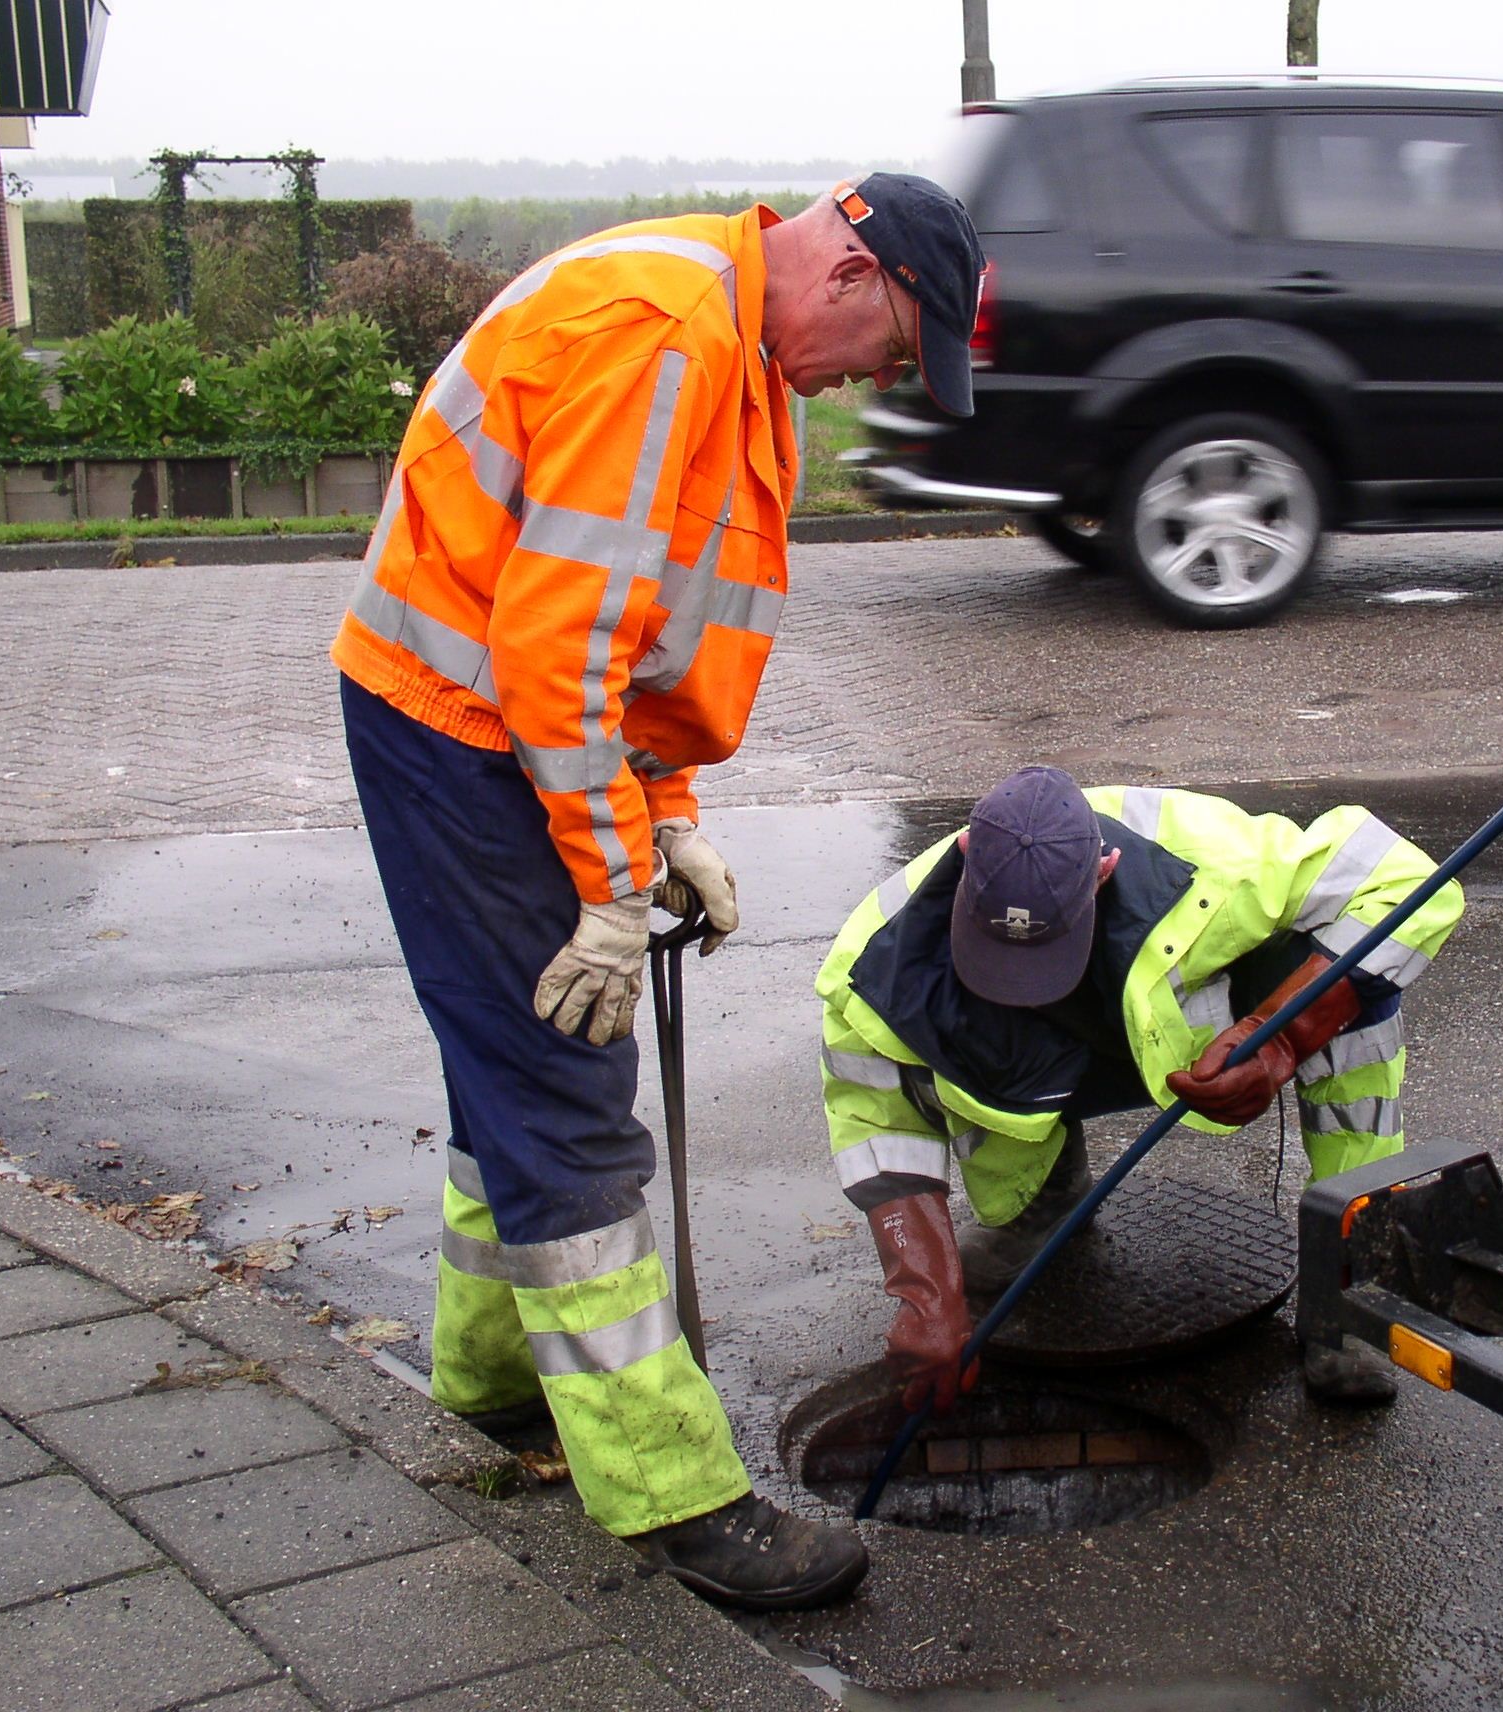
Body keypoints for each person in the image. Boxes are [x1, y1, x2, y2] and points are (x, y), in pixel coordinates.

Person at [332, 174, 984, 1613]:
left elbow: (645, 625)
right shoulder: (668, 336)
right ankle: (671, 1492)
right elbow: (556, 650)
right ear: (852, 276)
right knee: (565, 1077)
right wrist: (613, 887)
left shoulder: (742, 352)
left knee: (511, 1052)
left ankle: (492, 1380)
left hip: (508, 713)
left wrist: (668, 806)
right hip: (462, 720)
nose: (875, 382)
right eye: (890, 350)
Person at [816, 766, 1465, 1412]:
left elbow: (1411, 881)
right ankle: (1043, 1202)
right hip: (1038, 1059)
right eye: (1000, 955)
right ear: (964, 853)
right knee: (913, 1044)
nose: (1024, 983)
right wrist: (926, 1295)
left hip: (1190, 1035)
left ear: (1105, 869)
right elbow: (873, 1108)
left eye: (1044, 954)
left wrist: (1281, 1038)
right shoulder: (882, 945)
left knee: (1357, 992)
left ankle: (1349, 1280)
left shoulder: (1216, 859)